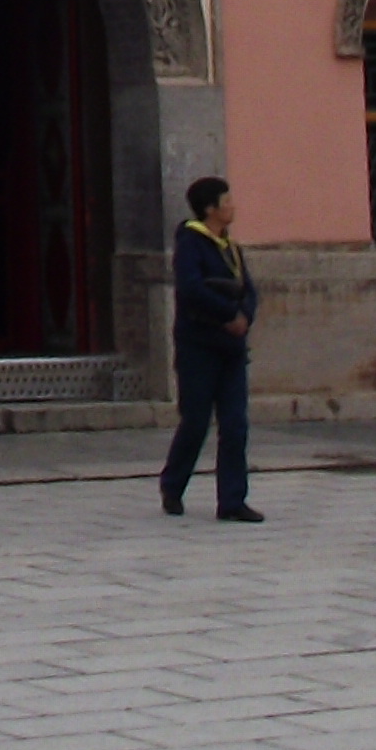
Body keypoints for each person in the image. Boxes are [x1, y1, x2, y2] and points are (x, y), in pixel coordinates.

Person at [159, 174, 262, 522]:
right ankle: (173, 486)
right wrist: (225, 315)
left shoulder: (230, 246)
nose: (232, 207)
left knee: (235, 425)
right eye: (227, 201)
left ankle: (232, 500)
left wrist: (244, 314)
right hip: (199, 345)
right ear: (210, 208)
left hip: (231, 348)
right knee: (196, 421)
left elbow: (248, 288)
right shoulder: (191, 242)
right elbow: (191, 290)